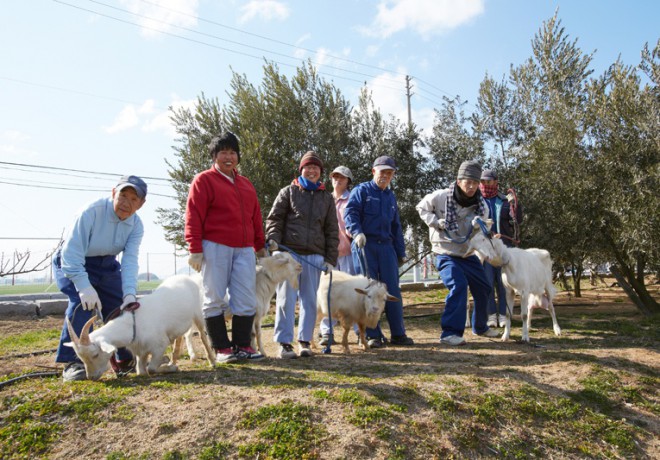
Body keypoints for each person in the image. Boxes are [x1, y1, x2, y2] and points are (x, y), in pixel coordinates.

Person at [54, 175, 148, 381]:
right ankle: (73, 362)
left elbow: (130, 261)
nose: (126, 203)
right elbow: (71, 254)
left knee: (119, 307)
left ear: (141, 204)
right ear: (113, 193)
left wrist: (130, 293)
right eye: (123, 195)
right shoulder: (91, 212)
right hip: (73, 262)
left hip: (106, 265)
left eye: (134, 199)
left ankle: (123, 358)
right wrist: (83, 286)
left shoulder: (136, 226)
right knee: (82, 304)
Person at [185, 131, 267, 364]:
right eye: (223, 153)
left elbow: (255, 217)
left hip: (244, 249)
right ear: (214, 156)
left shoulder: (246, 184)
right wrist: (195, 247)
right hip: (215, 246)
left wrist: (259, 246)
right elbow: (193, 216)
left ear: (238, 156)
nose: (228, 157)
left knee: (245, 296)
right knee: (214, 297)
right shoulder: (203, 180)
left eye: (232, 152)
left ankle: (243, 346)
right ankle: (222, 348)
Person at [416, 160, 500, 345]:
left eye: (474, 182)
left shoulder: (482, 206)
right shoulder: (440, 196)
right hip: (445, 252)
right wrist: (435, 222)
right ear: (458, 180)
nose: (470, 186)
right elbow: (421, 208)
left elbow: (481, 233)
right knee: (459, 285)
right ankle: (449, 334)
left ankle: (480, 327)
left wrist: (481, 227)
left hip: (467, 253)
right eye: (467, 181)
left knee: (484, 288)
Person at [265, 151, 338, 359]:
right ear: (301, 170)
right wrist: (274, 242)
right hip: (289, 254)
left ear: (320, 172)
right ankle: (284, 342)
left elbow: (332, 230)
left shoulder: (327, 198)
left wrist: (330, 259)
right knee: (285, 298)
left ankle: (305, 341)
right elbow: (274, 219)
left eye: (316, 167)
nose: (312, 170)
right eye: (308, 167)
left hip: (315, 256)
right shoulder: (288, 192)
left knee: (309, 301)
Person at [343, 155, 413, 348]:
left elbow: (396, 226)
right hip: (365, 245)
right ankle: (372, 335)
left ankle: (398, 334)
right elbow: (350, 213)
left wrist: (401, 251)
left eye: (390, 173)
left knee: (392, 290)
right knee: (370, 291)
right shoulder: (361, 191)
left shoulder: (390, 196)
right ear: (374, 171)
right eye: (382, 172)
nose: (386, 176)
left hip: (387, 248)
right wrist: (357, 232)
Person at [479, 169, 523, 327]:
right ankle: (491, 315)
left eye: (488, 181)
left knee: (504, 283)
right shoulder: (477, 201)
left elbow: (518, 220)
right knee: (488, 282)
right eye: (482, 181)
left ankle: (504, 315)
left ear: (496, 182)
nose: (485, 184)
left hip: (504, 247)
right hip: (485, 249)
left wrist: (515, 204)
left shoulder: (504, 201)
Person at [318, 165, 357, 346]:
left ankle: (357, 331)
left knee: (351, 294)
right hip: (328, 255)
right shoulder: (325, 199)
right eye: (335, 177)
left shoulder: (352, 199)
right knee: (327, 294)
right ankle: (327, 331)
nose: (337, 180)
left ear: (348, 181)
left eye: (342, 177)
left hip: (348, 253)